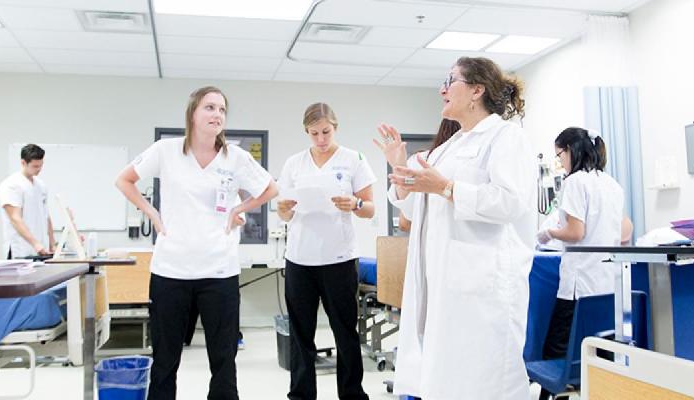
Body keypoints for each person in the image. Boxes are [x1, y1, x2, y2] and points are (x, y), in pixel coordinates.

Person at [374, 57, 537, 399]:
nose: (442, 89)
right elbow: (414, 206)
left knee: (487, 380)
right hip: (445, 283)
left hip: (483, 285)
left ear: (477, 90)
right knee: (449, 379)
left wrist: (447, 188)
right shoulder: (450, 146)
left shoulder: (506, 136)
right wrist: (400, 165)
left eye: (450, 80)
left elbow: (511, 203)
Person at [115, 86, 278, 400]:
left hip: (219, 270)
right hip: (171, 270)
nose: (217, 114)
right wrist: (151, 212)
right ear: (192, 113)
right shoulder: (166, 150)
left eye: (222, 109)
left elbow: (271, 188)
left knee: (223, 359)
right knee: (165, 359)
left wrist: (239, 209)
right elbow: (124, 179)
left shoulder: (236, 157)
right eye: (210, 107)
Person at [275, 103, 375, 400]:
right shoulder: (294, 163)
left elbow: (369, 209)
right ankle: (301, 394)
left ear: (336, 127)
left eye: (326, 132)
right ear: (306, 131)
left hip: (339, 259)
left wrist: (354, 204)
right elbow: (284, 213)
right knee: (301, 333)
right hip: (299, 259)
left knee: (345, 332)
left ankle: (352, 393)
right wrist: (282, 209)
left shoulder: (354, 159)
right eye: (314, 133)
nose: (321, 139)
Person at [533, 127, 628, 399]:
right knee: (599, 351)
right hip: (605, 284)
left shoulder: (575, 182)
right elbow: (625, 232)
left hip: (579, 284)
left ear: (571, 150)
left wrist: (549, 233)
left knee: (557, 352)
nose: (559, 162)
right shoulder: (611, 184)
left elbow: (575, 232)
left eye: (559, 155)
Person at [0, 144, 54, 259]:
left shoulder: (40, 185)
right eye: (35, 166)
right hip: (20, 249)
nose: (39, 169)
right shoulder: (11, 185)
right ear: (23, 163)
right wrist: (35, 243)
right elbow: (15, 218)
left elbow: (46, 216)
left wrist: (52, 242)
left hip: (41, 250)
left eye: (40, 166)